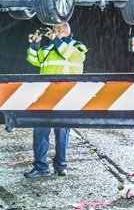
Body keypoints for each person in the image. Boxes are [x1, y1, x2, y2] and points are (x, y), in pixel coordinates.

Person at [24, 22, 88, 178]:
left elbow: (72, 56)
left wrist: (55, 40)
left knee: (62, 132)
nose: (52, 33)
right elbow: (34, 59)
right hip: (45, 96)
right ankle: (41, 167)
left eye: (55, 30)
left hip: (65, 96)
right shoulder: (49, 48)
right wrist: (35, 42)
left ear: (62, 31)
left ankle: (61, 165)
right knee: (40, 131)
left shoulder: (77, 46)